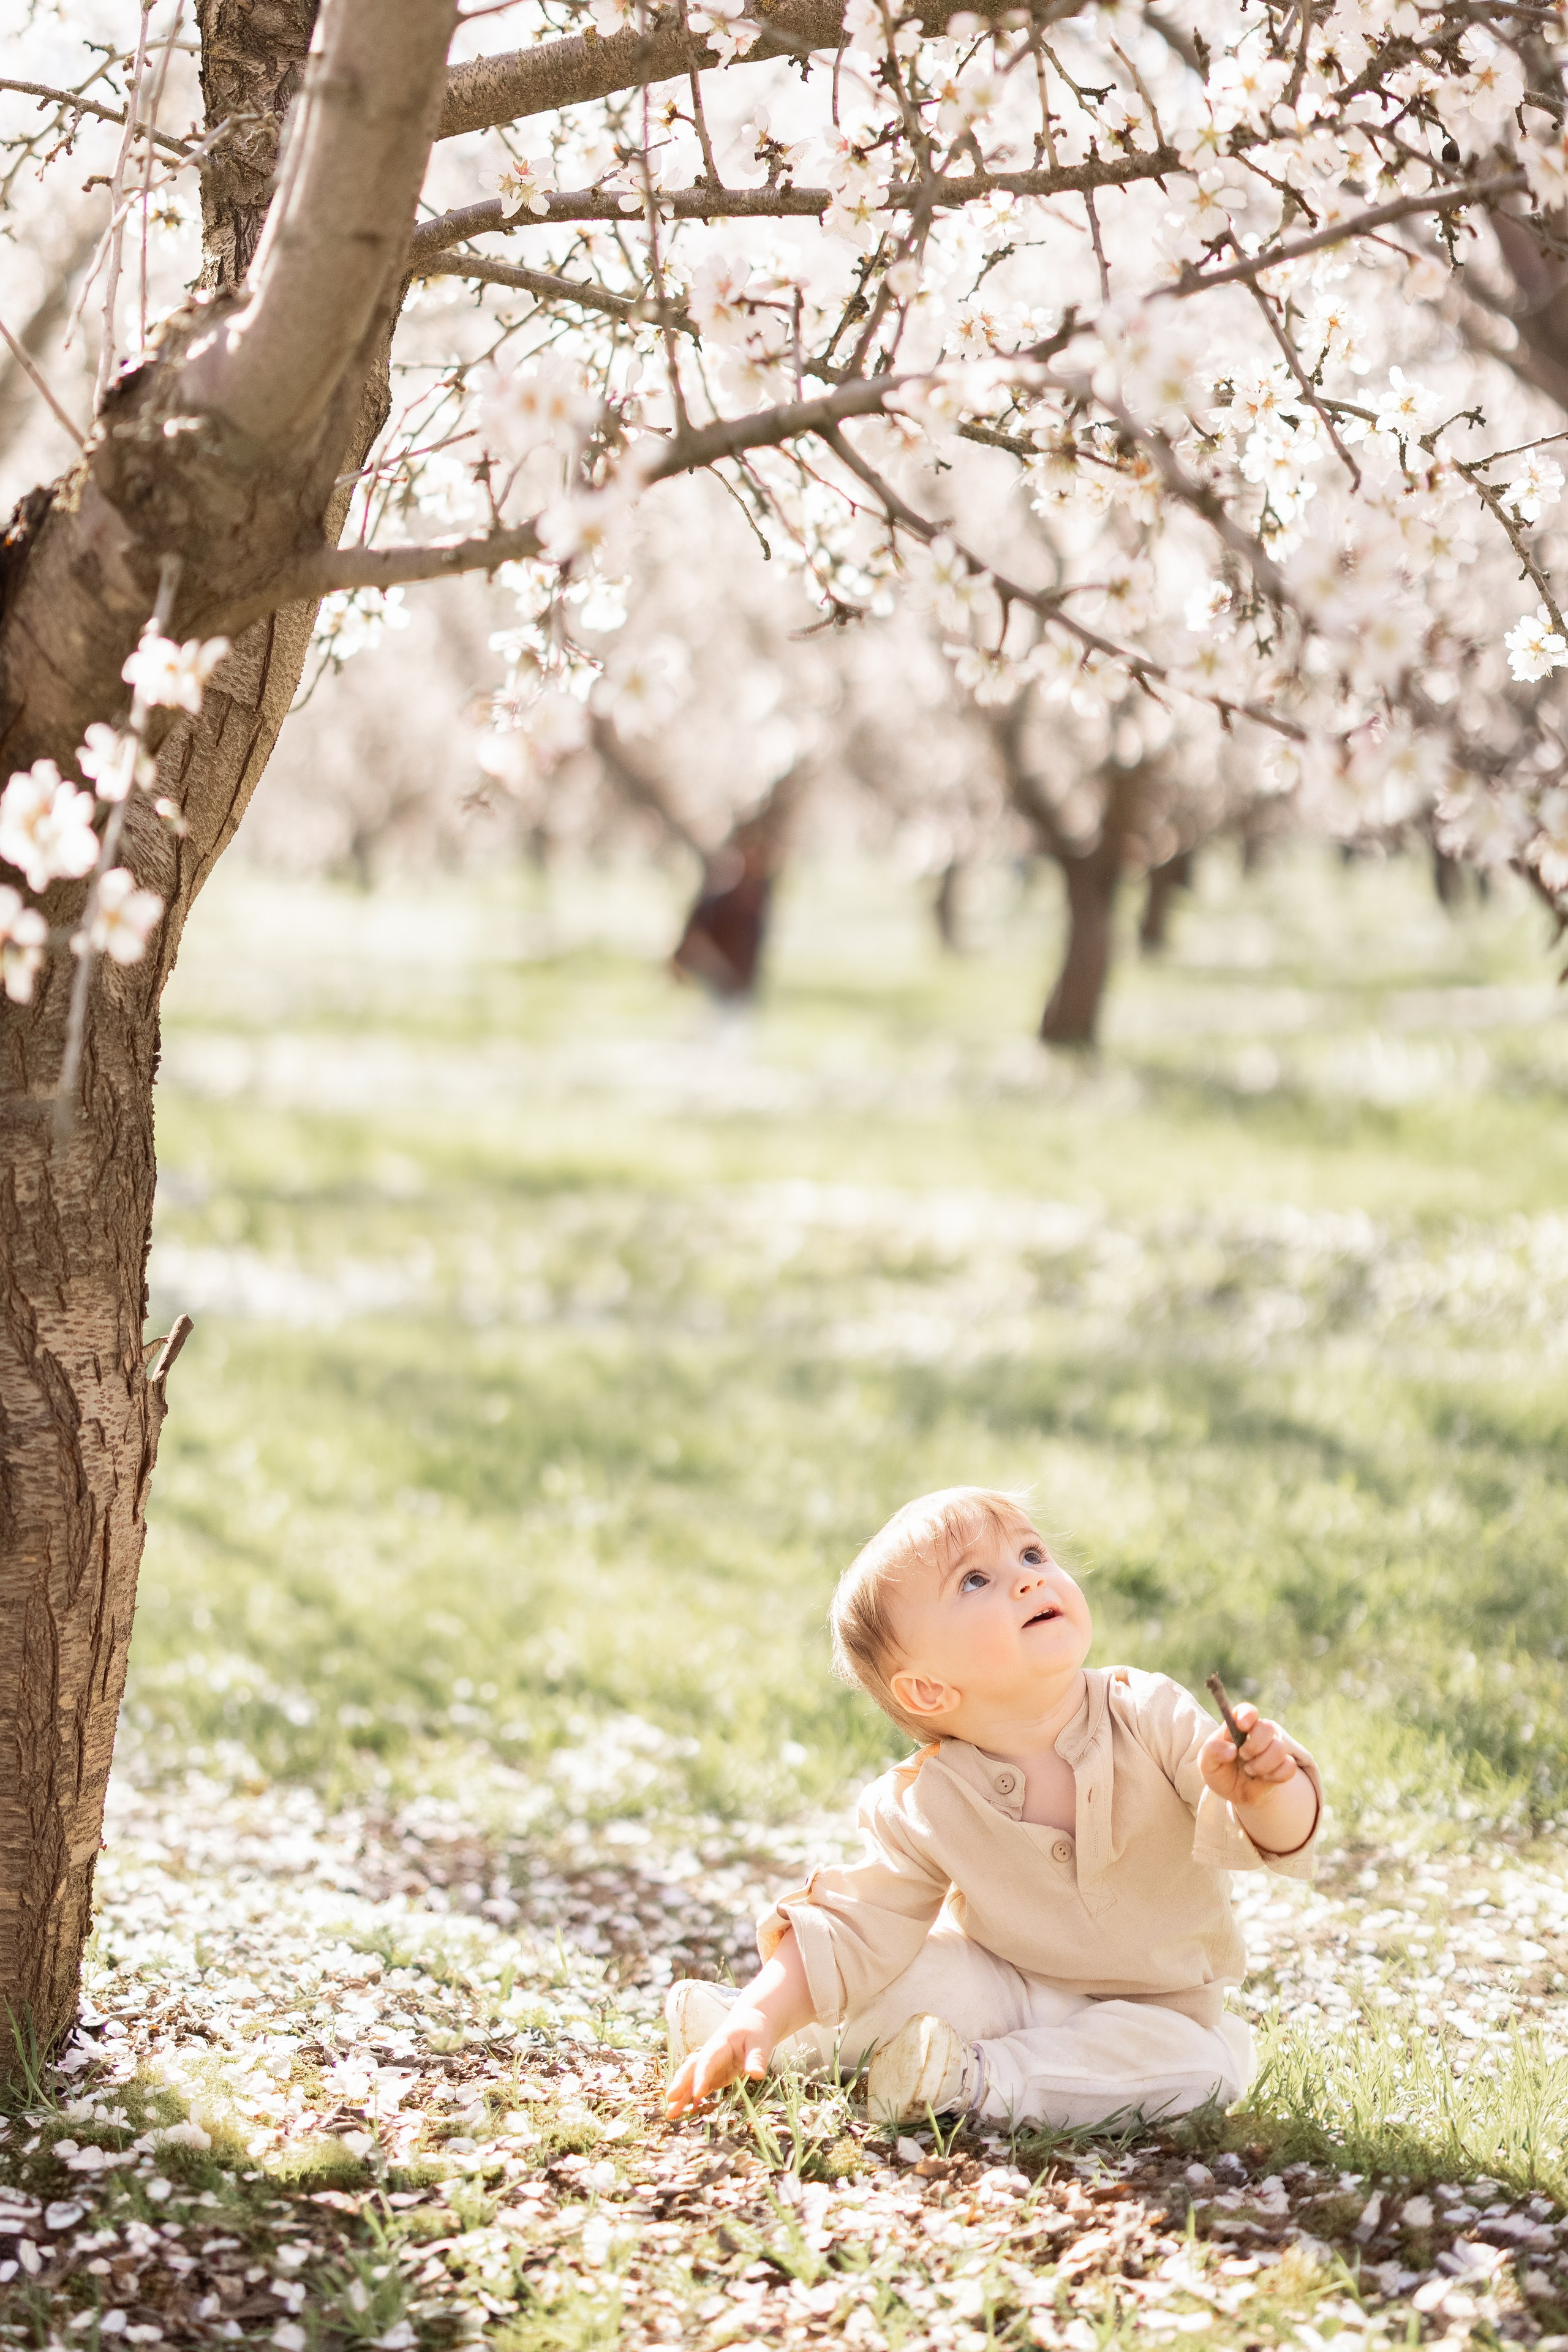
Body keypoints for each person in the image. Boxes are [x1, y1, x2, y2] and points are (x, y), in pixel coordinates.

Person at [663, 1486, 1321, 2131]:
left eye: (1032, 1556)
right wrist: (762, 2007)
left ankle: (966, 2079)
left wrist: (1265, 1791)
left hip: (1158, 2008)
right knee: (910, 1971)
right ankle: (764, 2040)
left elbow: (1276, 1836)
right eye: (975, 1581)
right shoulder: (927, 1798)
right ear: (926, 1688)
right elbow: (853, 1924)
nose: (1028, 1580)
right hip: (999, 1985)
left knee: (1202, 2069)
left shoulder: (1147, 1713)